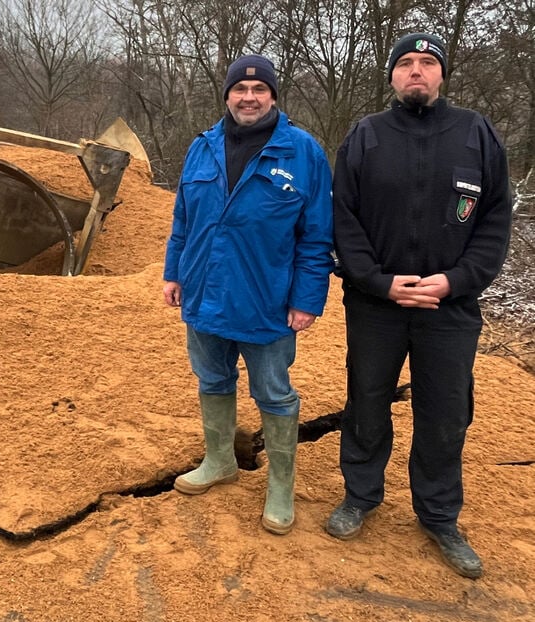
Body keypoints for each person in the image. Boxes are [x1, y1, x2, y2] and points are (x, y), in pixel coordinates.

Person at [327, 33, 512, 579]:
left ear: (441, 74)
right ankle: (360, 495)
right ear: (391, 76)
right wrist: (378, 282)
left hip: (449, 310)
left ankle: (438, 515)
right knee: (366, 400)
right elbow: (344, 218)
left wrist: (455, 281)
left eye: (427, 63)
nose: (416, 71)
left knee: (446, 413)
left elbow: (494, 221)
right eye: (405, 63)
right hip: (375, 304)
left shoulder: (476, 134)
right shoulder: (366, 135)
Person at [163, 55, 334, 535]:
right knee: (212, 378)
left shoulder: (303, 153)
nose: (249, 97)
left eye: (260, 90)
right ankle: (220, 461)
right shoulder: (202, 147)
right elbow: (183, 220)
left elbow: (318, 236)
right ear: (227, 96)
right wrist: (173, 273)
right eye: (240, 89)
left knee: (274, 393)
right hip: (204, 292)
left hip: (267, 299)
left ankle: (281, 484)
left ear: (274, 97)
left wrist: (306, 299)